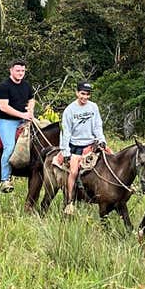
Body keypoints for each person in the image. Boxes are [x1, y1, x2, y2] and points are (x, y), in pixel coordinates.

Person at [57, 81, 106, 214]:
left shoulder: (93, 107)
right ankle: (70, 201)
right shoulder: (70, 110)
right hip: (76, 146)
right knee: (73, 172)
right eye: (82, 93)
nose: (84, 97)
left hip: (91, 144)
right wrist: (66, 151)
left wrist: (101, 140)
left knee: (110, 160)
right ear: (77, 93)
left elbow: (97, 125)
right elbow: (66, 131)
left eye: (87, 94)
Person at [0, 59, 35, 193]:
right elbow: (4, 107)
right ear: (11, 70)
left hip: (24, 119)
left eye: (23, 71)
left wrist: (30, 111)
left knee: (45, 132)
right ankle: (5, 179)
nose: (20, 73)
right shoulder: (4, 86)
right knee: (10, 146)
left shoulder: (26, 85)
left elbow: (31, 99)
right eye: (18, 70)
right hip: (6, 121)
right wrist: (22, 115)